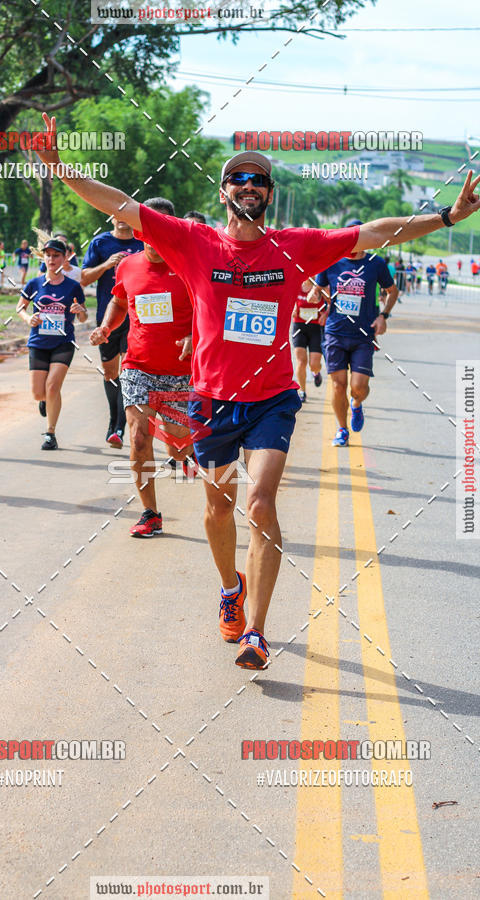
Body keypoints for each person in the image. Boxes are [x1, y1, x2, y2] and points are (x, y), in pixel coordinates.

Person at [34, 112, 480, 669]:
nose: (249, 186)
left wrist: (445, 216)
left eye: (259, 181)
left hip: (271, 400)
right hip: (212, 400)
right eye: (239, 179)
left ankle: (259, 633)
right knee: (217, 512)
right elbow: (120, 205)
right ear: (224, 192)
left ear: (269, 194)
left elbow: (374, 231)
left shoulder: (296, 246)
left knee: (260, 503)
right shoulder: (191, 241)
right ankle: (229, 588)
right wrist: (58, 168)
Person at [90, 197, 195, 538]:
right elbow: (119, 301)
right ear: (140, 228)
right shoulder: (128, 266)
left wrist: (195, 336)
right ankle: (149, 512)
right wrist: (107, 326)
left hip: (181, 371)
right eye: (151, 226)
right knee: (138, 439)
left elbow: (214, 309)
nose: (158, 233)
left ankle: (187, 453)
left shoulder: (191, 264)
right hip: (138, 366)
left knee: (179, 444)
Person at [310, 218, 399, 447]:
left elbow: (392, 291)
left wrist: (384, 316)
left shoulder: (375, 263)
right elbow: (318, 289)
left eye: (357, 236)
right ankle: (342, 429)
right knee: (338, 385)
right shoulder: (332, 262)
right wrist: (315, 295)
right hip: (335, 333)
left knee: (358, 387)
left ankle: (357, 405)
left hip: (363, 335)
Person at [16, 238, 87, 450]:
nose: (52, 259)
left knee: (53, 386)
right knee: (40, 393)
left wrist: (80, 312)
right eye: (48, 255)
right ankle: (46, 400)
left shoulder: (73, 286)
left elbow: (83, 317)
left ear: (65, 258)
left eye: (56, 255)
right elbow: (20, 307)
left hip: (63, 342)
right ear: (43, 257)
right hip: (38, 341)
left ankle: (50, 433)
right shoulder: (35, 284)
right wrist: (29, 319)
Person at [81, 217, 143, 448]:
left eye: (125, 213)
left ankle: (118, 427)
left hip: (136, 318)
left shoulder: (141, 241)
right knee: (110, 373)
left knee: (127, 373)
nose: (121, 218)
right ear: (111, 217)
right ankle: (113, 419)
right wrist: (106, 265)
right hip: (107, 318)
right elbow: (84, 278)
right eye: (116, 214)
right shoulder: (100, 243)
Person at [291, 279, 323, 401]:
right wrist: (293, 309)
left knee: (314, 364)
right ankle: (302, 391)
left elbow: (328, 303)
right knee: (301, 361)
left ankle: (316, 372)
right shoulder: (297, 285)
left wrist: (325, 314)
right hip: (299, 326)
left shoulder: (319, 287)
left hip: (315, 327)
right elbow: (290, 298)